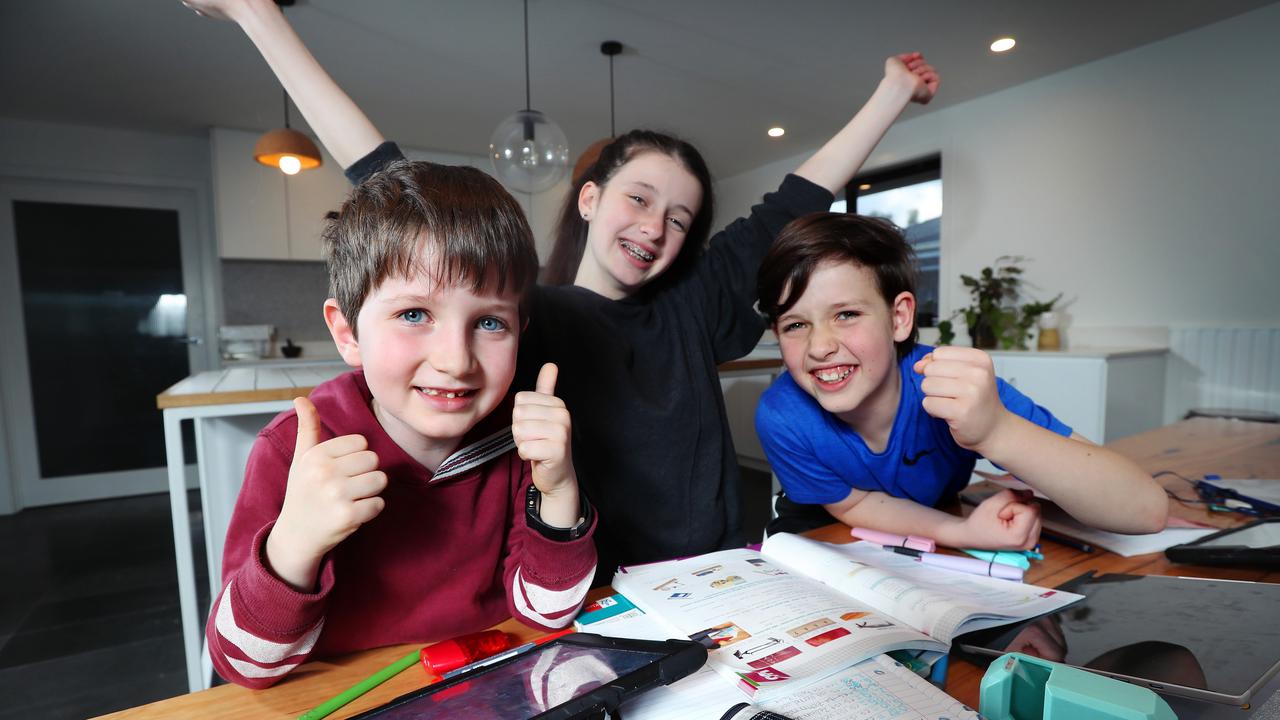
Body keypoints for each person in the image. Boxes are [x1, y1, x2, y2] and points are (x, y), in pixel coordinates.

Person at [182, 0, 938, 575]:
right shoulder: (523, 315)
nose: (655, 227)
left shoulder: (695, 306)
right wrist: (260, 15)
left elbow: (795, 199)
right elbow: (381, 172)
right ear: (589, 201)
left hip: (718, 573)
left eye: (680, 217)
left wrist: (891, 92)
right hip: (586, 585)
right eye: (638, 198)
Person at [207, 161, 597, 688]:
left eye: (489, 322)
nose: (456, 360)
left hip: (483, 683)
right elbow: (243, 665)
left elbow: (547, 614)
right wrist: (295, 540)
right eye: (414, 314)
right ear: (347, 333)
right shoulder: (296, 451)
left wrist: (559, 489)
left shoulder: (519, 443)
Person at [754, 213, 1167, 549]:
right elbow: (856, 503)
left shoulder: (952, 385)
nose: (819, 346)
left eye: (846, 314)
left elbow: (1146, 510)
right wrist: (962, 533)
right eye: (795, 324)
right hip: (826, 531)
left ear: (899, 318)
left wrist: (996, 430)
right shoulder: (782, 415)